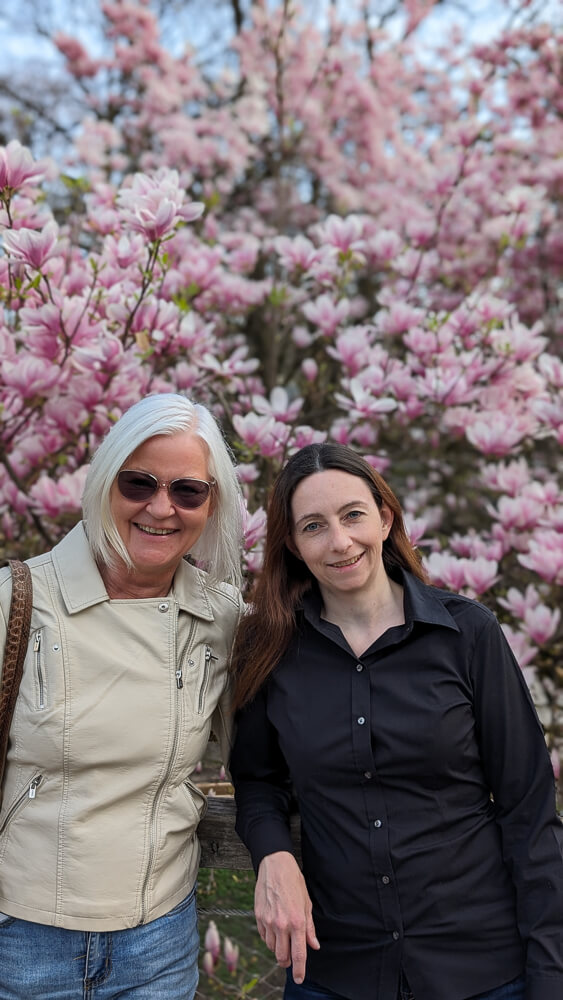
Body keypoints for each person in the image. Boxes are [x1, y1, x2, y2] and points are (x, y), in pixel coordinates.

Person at [229, 442, 563, 1000]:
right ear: (292, 543)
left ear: (385, 518)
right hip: (334, 972)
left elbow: (529, 815)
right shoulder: (271, 652)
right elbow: (257, 781)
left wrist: (551, 977)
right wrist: (274, 854)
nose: (340, 542)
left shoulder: (468, 635)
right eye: (314, 526)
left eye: (353, 515)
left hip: (482, 972)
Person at [0, 392, 244, 1000]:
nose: (161, 508)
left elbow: (280, 748)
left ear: (212, 506)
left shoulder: (223, 619)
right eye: (139, 484)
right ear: (105, 484)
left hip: (159, 937)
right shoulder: (17, 604)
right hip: (24, 934)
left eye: (188, 491)